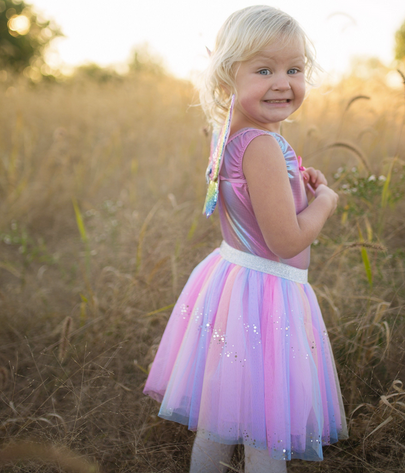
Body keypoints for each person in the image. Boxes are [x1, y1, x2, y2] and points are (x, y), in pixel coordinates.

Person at [143, 5, 348, 472]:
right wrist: (324, 202)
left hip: (234, 283)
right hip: (267, 296)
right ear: (227, 77)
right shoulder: (262, 146)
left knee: (222, 413)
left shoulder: (232, 133)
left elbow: (246, 200)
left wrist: (296, 182)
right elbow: (286, 241)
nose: (282, 81)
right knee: (265, 424)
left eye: (294, 69)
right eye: (263, 69)